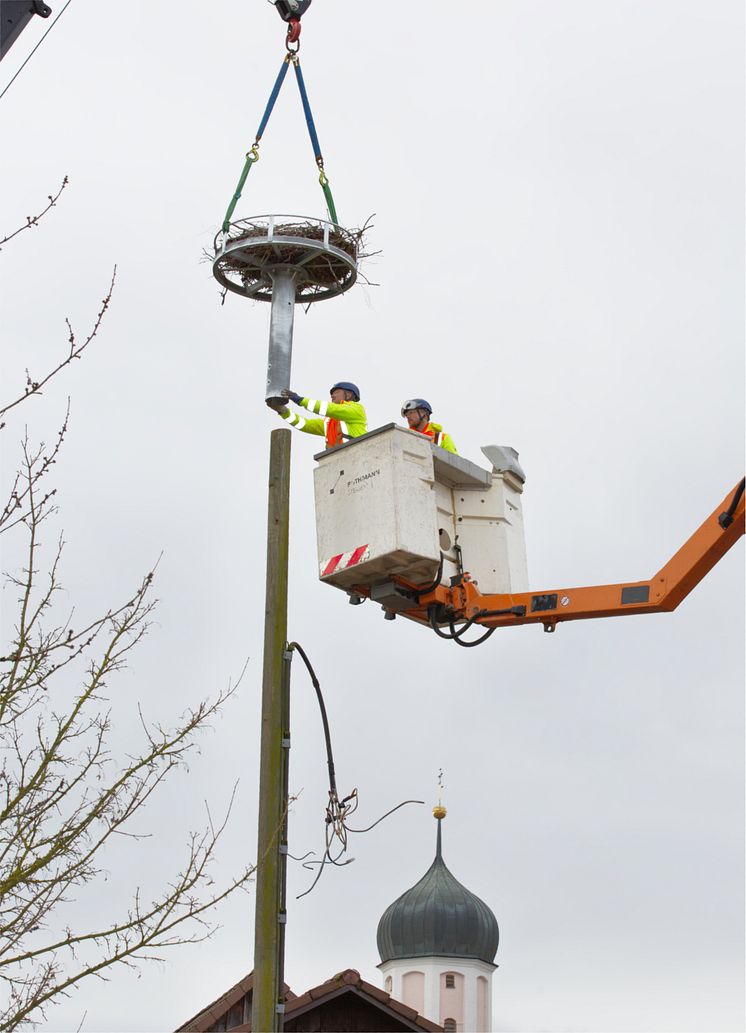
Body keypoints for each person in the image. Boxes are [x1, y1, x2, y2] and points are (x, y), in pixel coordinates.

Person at [271, 381, 367, 449]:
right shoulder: (330, 422)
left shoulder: (356, 409)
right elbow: (304, 425)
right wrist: (283, 411)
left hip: (358, 453)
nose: (332, 396)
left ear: (349, 395)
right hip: (337, 460)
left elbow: (329, 409)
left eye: (336, 392)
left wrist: (300, 400)